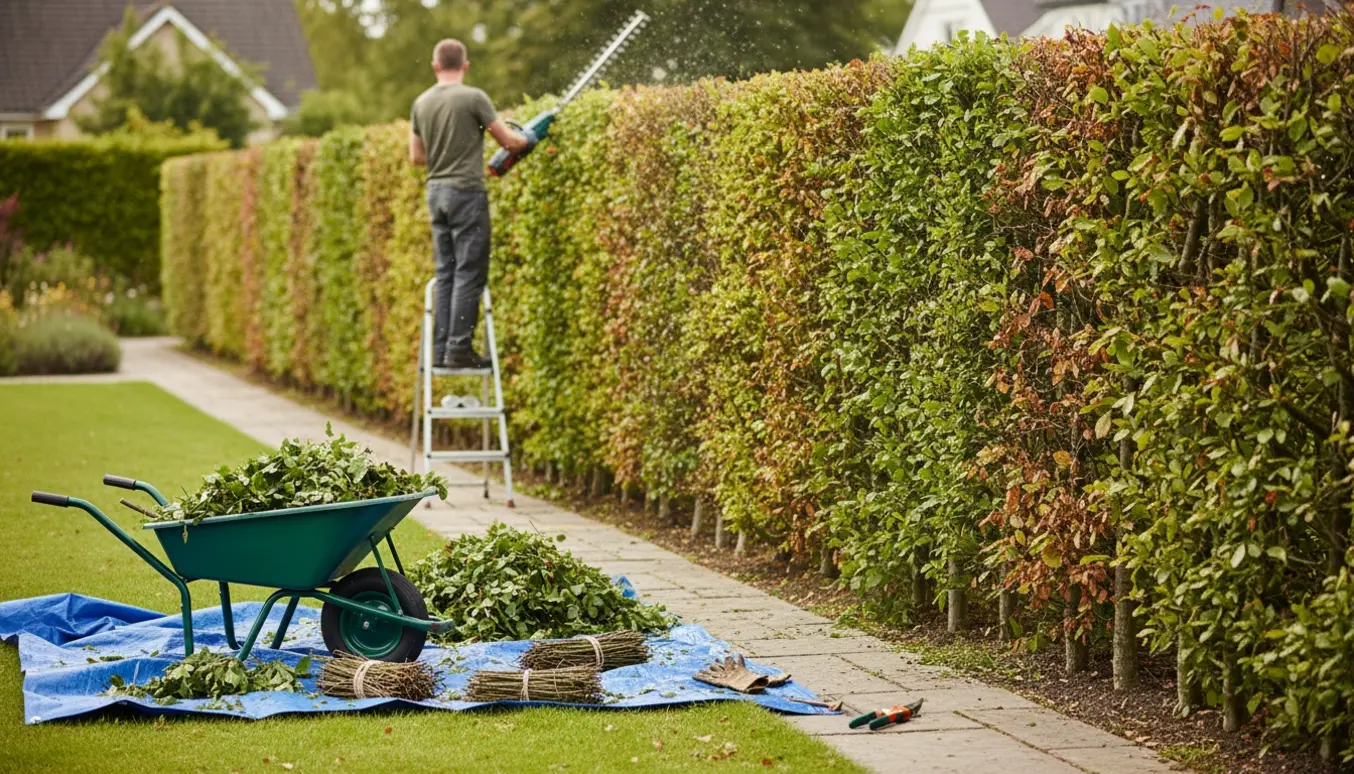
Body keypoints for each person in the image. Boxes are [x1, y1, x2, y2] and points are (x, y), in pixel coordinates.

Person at [409, 38, 532, 369]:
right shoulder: (474, 98)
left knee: (445, 272)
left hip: (436, 193)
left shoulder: (421, 103)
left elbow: (416, 157)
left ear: (436, 66)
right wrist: (527, 139)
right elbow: (507, 141)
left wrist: (444, 150)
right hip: (466, 192)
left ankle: (440, 351)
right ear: (465, 66)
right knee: (469, 271)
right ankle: (459, 349)